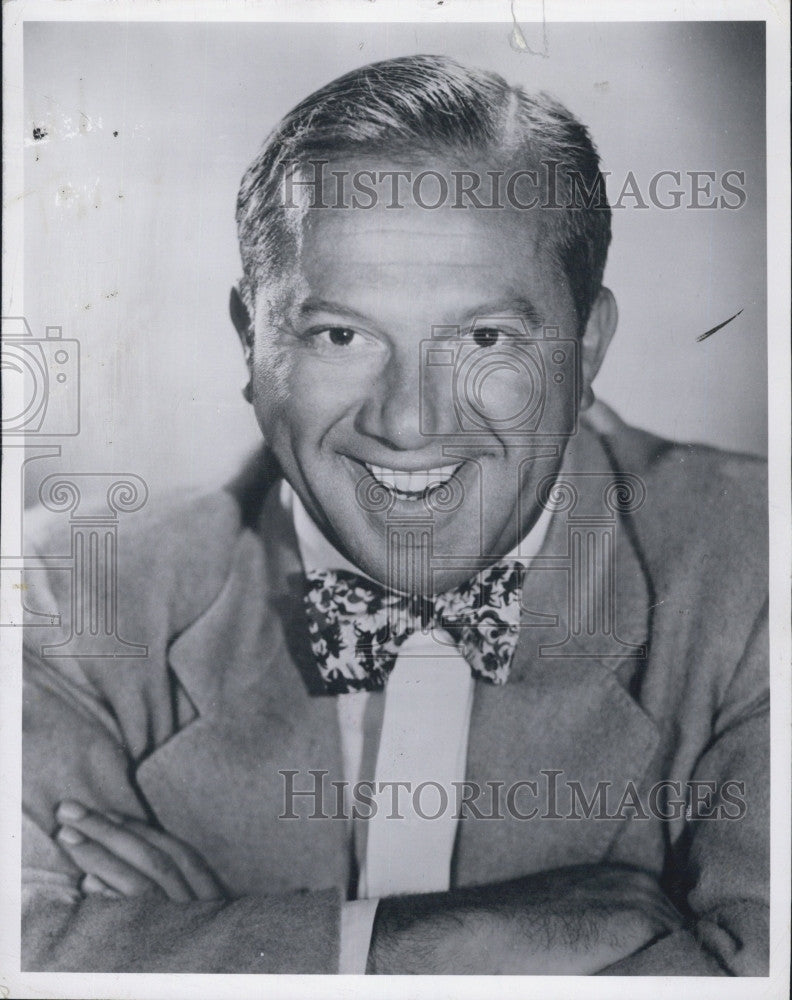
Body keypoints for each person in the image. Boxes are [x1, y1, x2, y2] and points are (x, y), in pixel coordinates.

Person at [22, 55, 768, 975]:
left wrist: (209, 955)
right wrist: (394, 951)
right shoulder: (74, 591)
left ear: (586, 350)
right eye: (341, 335)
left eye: (484, 338)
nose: (409, 422)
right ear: (251, 346)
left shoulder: (761, 570)